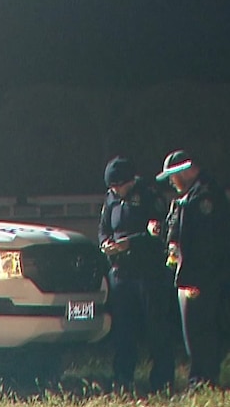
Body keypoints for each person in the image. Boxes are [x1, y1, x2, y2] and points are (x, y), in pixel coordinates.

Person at [98, 156, 176, 392]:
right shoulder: (111, 198)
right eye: (112, 187)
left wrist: (129, 244)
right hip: (121, 273)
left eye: (119, 185)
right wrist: (105, 244)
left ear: (130, 181)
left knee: (156, 329)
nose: (115, 190)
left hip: (147, 273)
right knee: (123, 329)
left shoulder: (150, 195)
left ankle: (162, 381)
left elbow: (157, 234)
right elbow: (103, 228)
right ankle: (123, 377)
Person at [157, 149, 230, 387]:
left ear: (186, 171)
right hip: (187, 275)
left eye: (173, 175)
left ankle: (204, 380)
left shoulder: (206, 198)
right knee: (192, 333)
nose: (171, 181)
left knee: (203, 331)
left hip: (203, 278)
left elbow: (207, 242)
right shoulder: (186, 198)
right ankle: (199, 378)